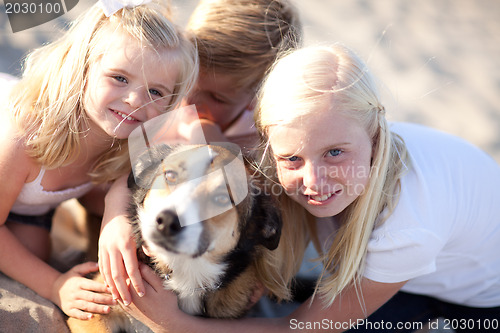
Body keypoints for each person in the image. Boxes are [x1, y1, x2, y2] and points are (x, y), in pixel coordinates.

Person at [119, 43, 500, 332]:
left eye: (335, 152)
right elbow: (152, 159)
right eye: (292, 160)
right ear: (270, 144)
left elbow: (303, 328)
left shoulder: (410, 223)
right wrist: (115, 223)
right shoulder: (307, 133)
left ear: (375, 135)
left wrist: (177, 324)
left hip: (475, 304)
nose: (314, 182)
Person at [0, 0, 197, 321]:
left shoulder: (127, 137)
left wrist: (115, 215)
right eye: (119, 78)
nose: (135, 101)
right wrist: (54, 286)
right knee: (34, 270)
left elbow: (105, 186)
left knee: (35, 253)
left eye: (156, 92)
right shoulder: (23, 137)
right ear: (84, 66)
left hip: (29, 207)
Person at [98, 0, 303, 309]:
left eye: (217, 97)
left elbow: (274, 207)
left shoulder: (268, 137)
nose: (192, 100)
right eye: (190, 80)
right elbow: (132, 173)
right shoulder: (170, 104)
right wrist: (114, 218)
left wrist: (267, 268)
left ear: (258, 97)